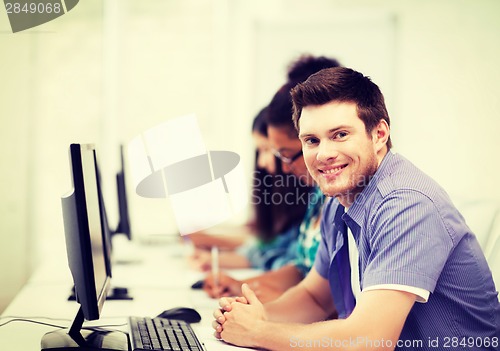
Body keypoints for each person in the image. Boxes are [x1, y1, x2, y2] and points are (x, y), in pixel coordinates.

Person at [212, 67, 500, 350]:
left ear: (379, 134)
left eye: (339, 135)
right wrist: (253, 316)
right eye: (311, 140)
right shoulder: (339, 201)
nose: (323, 154)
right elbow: (314, 297)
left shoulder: (407, 204)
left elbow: (370, 340)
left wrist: (260, 333)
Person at [203, 55, 341, 302]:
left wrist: (261, 308)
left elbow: (330, 300)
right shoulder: (321, 195)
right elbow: (304, 272)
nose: (269, 164)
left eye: (280, 154)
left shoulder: (353, 199)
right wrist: (244, 287)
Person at [189, 106, 312, 271]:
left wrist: (216, 250)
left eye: (267, 149)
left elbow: (289, 262)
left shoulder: (312, 198)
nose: (261, 162)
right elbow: (267, 245)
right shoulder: (295, 199)